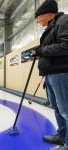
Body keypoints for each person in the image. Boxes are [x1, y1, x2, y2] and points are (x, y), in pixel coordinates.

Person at [32, 0, 68, 149]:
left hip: (61, 73)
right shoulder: (52, 26)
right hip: (51, 73)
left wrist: (42, 50)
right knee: (57, 108)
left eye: (38, 18)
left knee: (65, 110)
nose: (37, 21)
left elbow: (66, 45)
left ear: (46, 14)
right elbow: (49, 47)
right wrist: (39, 49)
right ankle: (62, 136)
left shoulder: (64, 20)